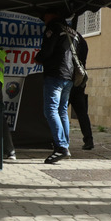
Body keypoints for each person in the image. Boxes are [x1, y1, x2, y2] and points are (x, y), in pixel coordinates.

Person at [34, 10, 77, 164]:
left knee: (51, 110)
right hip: (69, 76)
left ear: (52, 14)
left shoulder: (53, 28)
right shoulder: (73, 31)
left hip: (55, 74)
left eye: (44, 15)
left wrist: (38, 58)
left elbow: (47, 51)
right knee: (62, 111)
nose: (43, 18)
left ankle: (61, 147)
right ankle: (65, 146)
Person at [67, 33, 95, 150]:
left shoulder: (68, 38)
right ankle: (88, 140)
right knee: (82, 113)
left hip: (67, 79)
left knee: (59, 111)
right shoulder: (82, 40)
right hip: (79, 81)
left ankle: (58, 140)